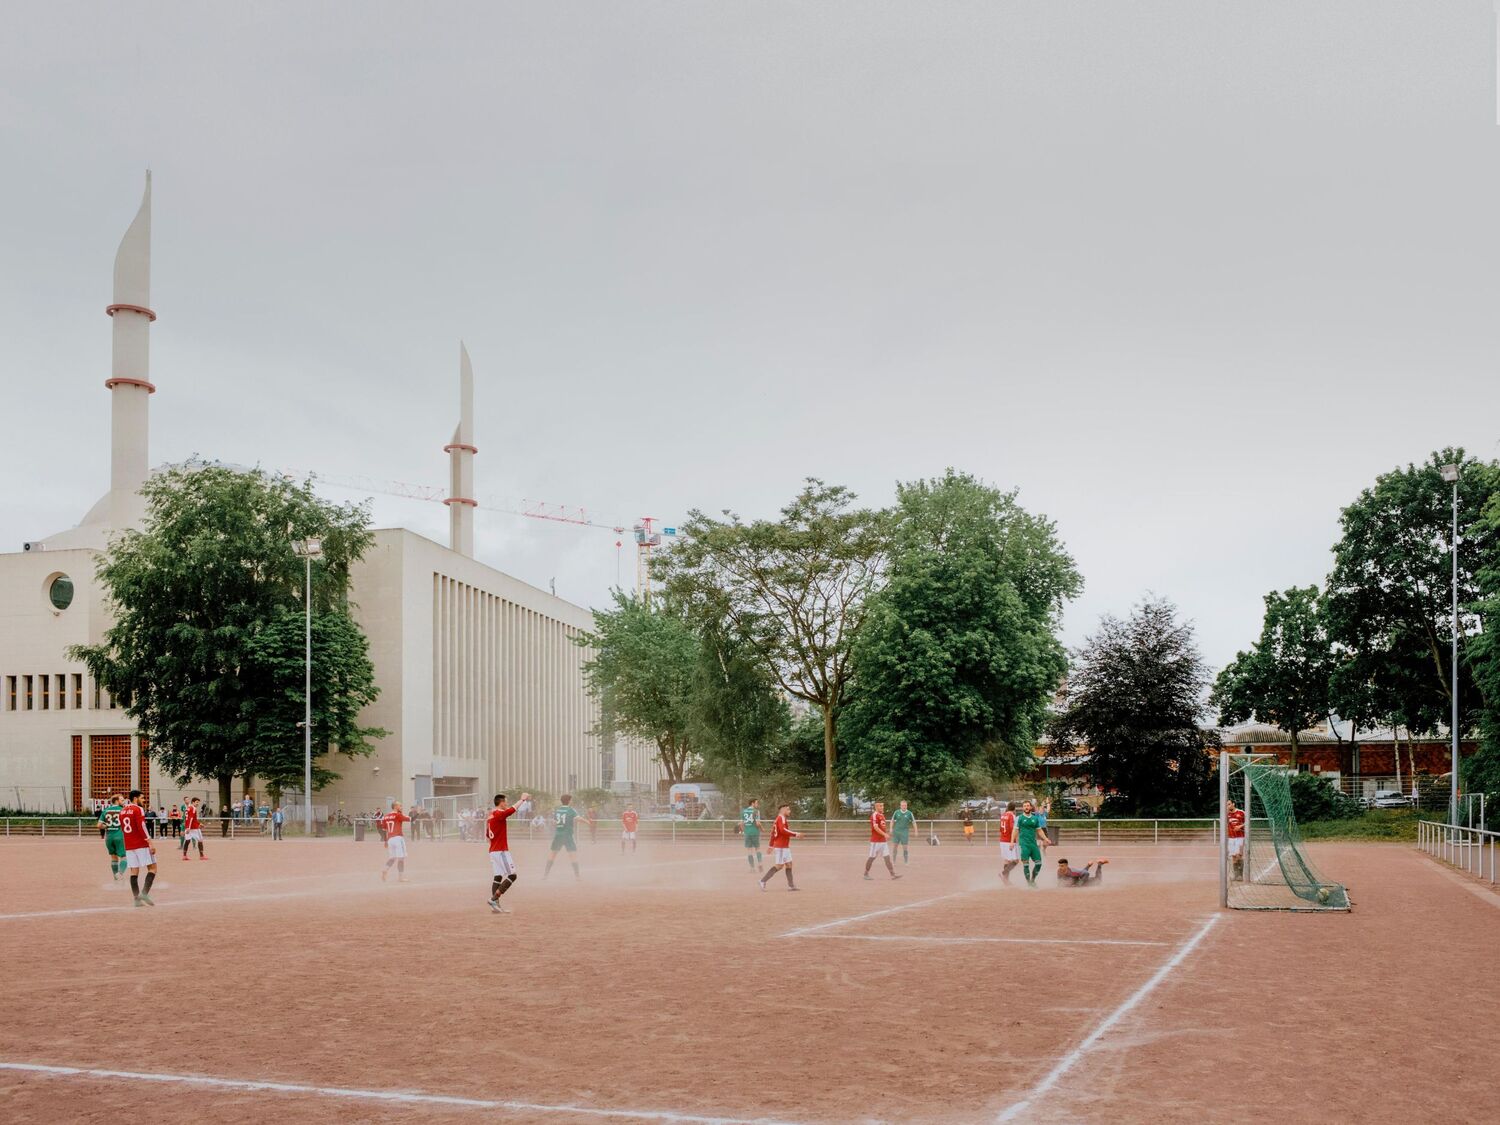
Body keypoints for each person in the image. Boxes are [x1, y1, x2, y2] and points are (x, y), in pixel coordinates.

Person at [486, 791, 529, 913]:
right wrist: (522, 800)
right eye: (505, 801)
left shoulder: (491, 816)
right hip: (500, 851)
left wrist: (494, 847)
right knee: (512, 875)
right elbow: (511, 811)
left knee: (498, 877)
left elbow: (487, 837)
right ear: (501, 802)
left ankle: (495, 906)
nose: (507, 804)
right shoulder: (499, 813)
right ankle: (494, 899)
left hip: (493, 851)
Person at [120, 790, 158, 907]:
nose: (144, 800)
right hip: (141, 844)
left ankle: (136, 899)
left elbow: (123, 828)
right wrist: (150, 842)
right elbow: (142, 826)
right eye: (142, 798)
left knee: (133, 871)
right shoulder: (138, 809)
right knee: (152, 868)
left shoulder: (122, 811)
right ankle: (144, 893)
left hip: (129, 845)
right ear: (135, 798)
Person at [758, 804, 800, 891]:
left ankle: (791, 885)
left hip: (784, 846)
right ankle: (762, 881)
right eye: (788, 810)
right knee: (779, 866)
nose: (789, 811)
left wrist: (770, 845)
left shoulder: (779, 819)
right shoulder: (781, 818)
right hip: (781, 847)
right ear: (783, 810)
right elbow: (783, 830)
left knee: (789, 864)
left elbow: (773, 834)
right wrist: (795, 834)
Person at [543, 795, 583, 880]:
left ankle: (545, 875)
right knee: (573, 856)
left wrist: (560, 825)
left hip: (558, 835)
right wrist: (588, 822)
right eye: (571, 800)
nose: (571, 801)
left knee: (552, 855)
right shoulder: (571, 810)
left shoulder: (558, 810)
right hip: (567, 835)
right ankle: (577, 876)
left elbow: (554, 822)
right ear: (568, 801)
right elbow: (578, 818)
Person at [863, 801, 902, 881]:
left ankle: (892, 874)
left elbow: (882, 827)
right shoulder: (874, 815)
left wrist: (885, 835)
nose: (882, 807)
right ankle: (866, 874)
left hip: (883, 842)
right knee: (872, 857)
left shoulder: (882, 815)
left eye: (883, 806)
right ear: (876, 807)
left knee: (887, 858)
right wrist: (884, 834)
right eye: (880, 806)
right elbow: (875, 827)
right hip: (876, 841)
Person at [1016, 800, 1047, 886]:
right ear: (1023, 808)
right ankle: (1028, 883)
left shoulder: (1035, 818)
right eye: (1024, 806)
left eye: (1028, 805)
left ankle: (1032, 880)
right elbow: (1015, 830)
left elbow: (1039, 830)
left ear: (1030, 807)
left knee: (1039, 864)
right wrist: (1012, 842)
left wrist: (1045, 838)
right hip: (1024, 844)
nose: (1026, 807)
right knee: (1026, 864)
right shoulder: (1019, 818)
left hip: (1033, 844)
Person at [97, 793, 126, 881]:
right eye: (122, 800)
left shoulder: (106, 810)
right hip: (119, 836)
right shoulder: (123, 810)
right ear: (116, 801)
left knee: (113, 858)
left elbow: (99, 825)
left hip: (109, 837)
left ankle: (115, 878)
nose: (123, 802)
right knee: (124, 857)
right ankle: (120, 874)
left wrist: (107, 826)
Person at [380, 803, 411, 882]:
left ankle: (385, 869)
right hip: (398, 838)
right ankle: (400, 878)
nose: (401, 807)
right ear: (395, 807)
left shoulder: (385, 817)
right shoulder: (398, 815)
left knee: (392, 858)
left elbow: (384, 830)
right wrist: (418, 813)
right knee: (401, 859)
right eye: (400, 805)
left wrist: (385, 841)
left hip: (390, 839)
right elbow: (411, 819)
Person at [998, 801, 1019, 884]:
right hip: (1009, 841)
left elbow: (1000, 829)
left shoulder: (1003, 815)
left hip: (1002, 840)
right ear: (1014, 809)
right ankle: (1003, 873)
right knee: (1016, 860)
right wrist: (1014, 840)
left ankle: (1006, 879)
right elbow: (1013, 828)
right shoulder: (1012, 816)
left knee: (1007, 860)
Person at [741, 798, 764, 872]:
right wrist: (762, 828)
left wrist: (744, 831)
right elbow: (758, 823)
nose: (757, 804)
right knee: (757, 848)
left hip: (747, 833)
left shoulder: (743, 811)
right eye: (756, 803)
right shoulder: (756, 811)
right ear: (752, 803)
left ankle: (752, 868)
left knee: (749, 851)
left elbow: (742, 823)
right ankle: (760, 864)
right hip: (755, 832)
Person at [890, 799, 915, 865]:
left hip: (904, 832)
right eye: (902, 805)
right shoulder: (896, 812)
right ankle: (894, 861)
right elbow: (892, 821)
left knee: (905, 848)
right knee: (895, 846)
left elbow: (914, 822)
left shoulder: (909, 813)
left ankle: (906, 861)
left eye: (905, 805)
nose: (904, 806)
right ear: (900, 806)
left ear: (907, 806)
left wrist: (916, 831)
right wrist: (891, 828)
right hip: (896, 832)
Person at [1227, 798, 1246, 880]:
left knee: (1239, 855)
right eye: (1227, 805)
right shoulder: (1226, 814)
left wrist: (1240, 826)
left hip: (1240, 837)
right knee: (1234, 857)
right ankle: (1236, 876)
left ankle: (1240, 875)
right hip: (1231, 838)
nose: (1228, 806)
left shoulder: (1241, 812)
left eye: (1229, 804)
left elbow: (1248, 821)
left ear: (1233, 804)